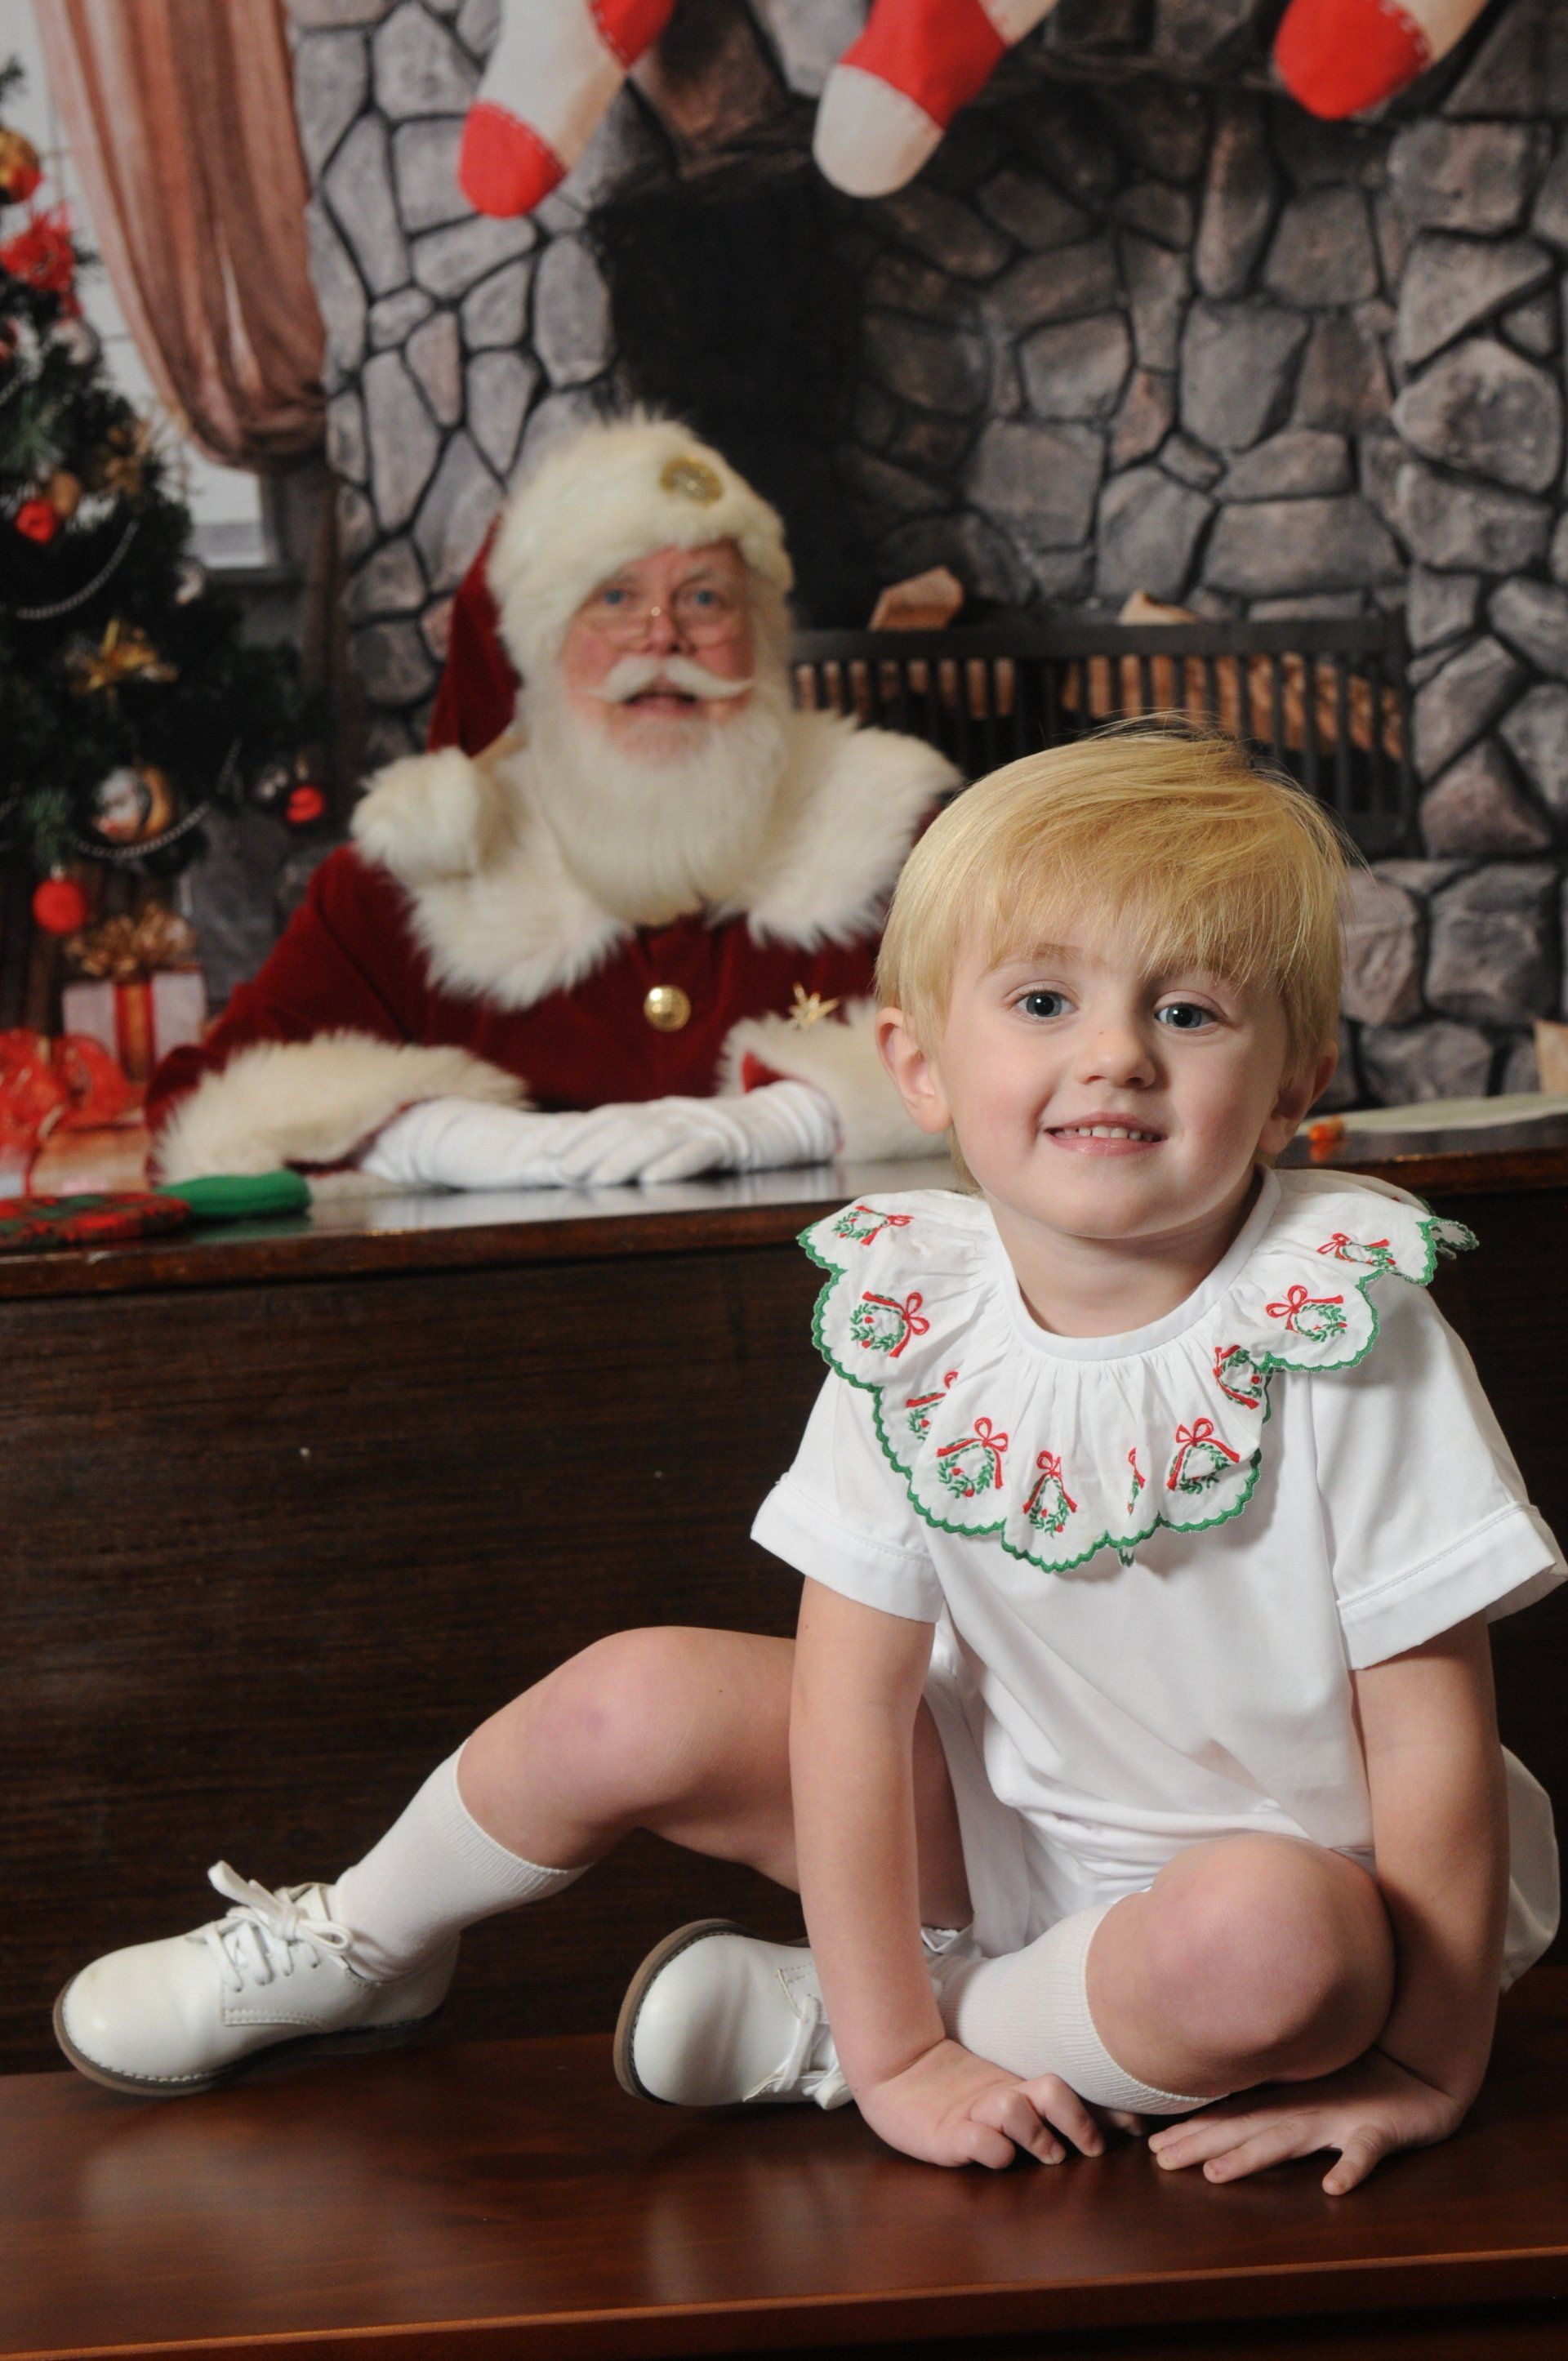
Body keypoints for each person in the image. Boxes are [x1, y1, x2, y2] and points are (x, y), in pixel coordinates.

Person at [60, 728, 1560, 2193]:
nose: (1113, 1055)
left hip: (1296, 1895)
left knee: (1264, 1937)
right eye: (1044, 999)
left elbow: (1431, 1737)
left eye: (1188, 1012)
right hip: (990, 1819)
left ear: (1293, 1082)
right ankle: (368, 1938)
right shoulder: (917, 1311)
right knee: (627, 1697)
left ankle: (866, 2020)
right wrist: (912, 2068)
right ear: (919, 1063)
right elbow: (852, 1706)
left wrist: (1426, 2064)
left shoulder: (1344, 1321)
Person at [149, 414, 958, 1192]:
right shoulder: (407, 882)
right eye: (614, 597)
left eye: (706, 598)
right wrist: (426, 1136)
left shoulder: (900, 838)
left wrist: (806, 1114)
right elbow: (202, 1111)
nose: (663, 636)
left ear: (763, 639)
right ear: (539, 646)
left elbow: (1030, 1045)